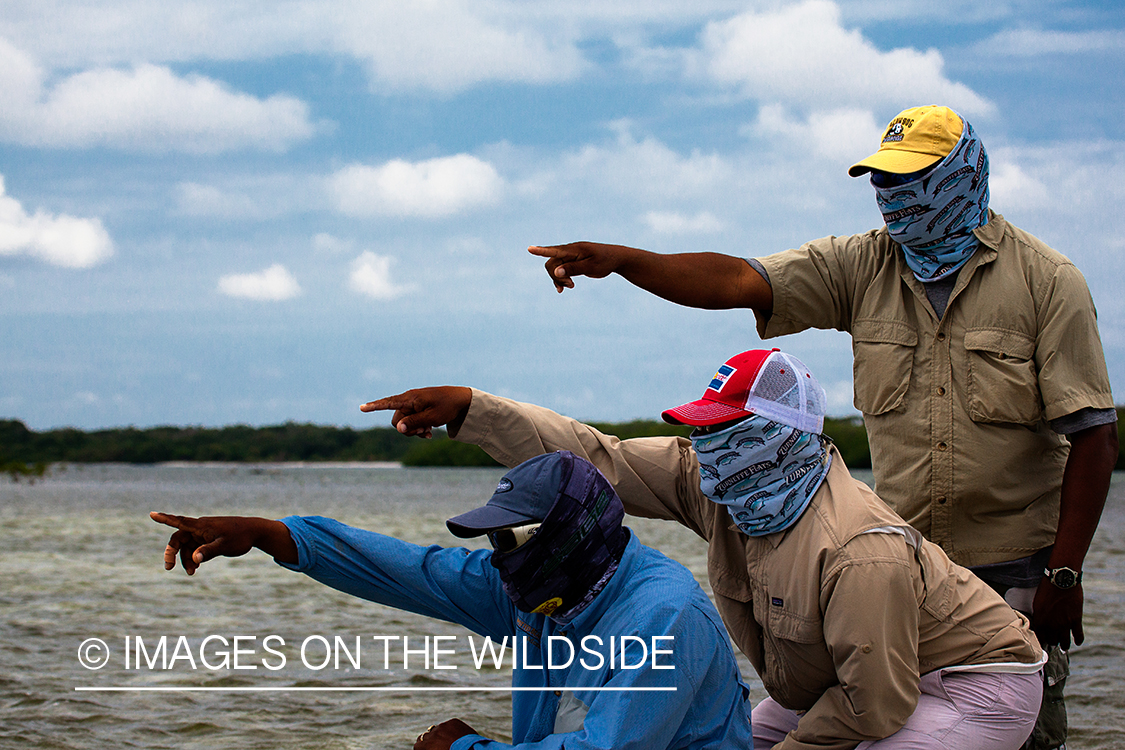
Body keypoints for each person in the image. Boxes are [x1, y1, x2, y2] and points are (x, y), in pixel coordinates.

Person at [525, 105, 1118, 749]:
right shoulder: (862, 266)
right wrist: (621, 260)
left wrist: (1064, 575)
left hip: (1017, 573)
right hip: (893, 573)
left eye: (911, 178)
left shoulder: (1047, 282)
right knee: (864, 718)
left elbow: (1092, 434)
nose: (893, 197)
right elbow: (737, 279)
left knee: (1023, 737)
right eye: (883, 180)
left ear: (959, 175)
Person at [364, 348, 1048, 750]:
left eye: (728, 431)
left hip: (968, 685)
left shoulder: (857, 550)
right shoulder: (721, 484)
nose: (709, 450)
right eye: (705, 431)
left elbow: (876, 708)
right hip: (839, 677)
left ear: (786, 438)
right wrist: (471, 409)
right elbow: (595, 457)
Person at [151, 451, 755, 750]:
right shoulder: (538, 591)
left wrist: (469, 749)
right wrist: (272, 534)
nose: (499, 555)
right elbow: (411, 571)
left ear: (570, 532)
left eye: (510, 536)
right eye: (493, 538)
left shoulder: (663, 618)